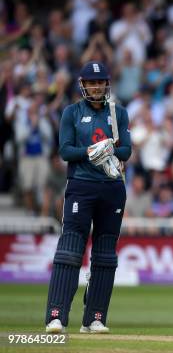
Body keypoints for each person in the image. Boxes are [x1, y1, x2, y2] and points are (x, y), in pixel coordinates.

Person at [45, 61, 131, 333]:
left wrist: (110, 152)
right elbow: (66, 151)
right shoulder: (72, 112)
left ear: (107, 84)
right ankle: (56, 315)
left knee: (106, 255)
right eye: (91, 82)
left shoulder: (118, 113)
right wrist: (91, 152)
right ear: (82, 85)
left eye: (101, 82)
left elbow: (126, 150)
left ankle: (95, 317)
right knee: (70, 249)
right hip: (81, 185)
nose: (96, 87)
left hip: (112, 187)